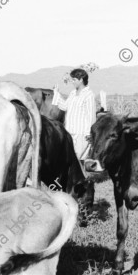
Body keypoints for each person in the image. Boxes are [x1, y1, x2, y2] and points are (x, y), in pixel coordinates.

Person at [53, 68, 96, 222]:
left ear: (80, 79)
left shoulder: (89, 95)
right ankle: (70, 199)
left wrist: (90, 135)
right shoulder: (72, 94)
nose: (72, 82)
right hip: (69, 135)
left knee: (78, 167)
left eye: (73, 80)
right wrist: (56, 93)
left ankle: (83, 202)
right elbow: (64, 107)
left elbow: (91, 116)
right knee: (69, 167)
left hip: (82, 136)